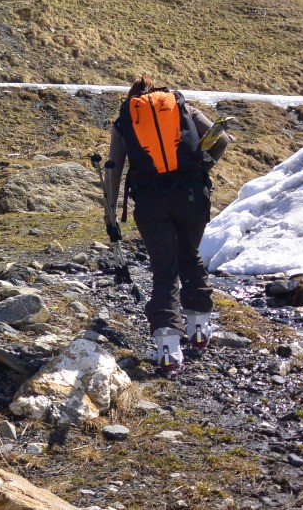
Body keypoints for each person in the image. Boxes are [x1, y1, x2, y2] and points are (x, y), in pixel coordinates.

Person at [104, 75, 230, 378]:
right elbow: (222, 139)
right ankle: (198, 330)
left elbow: (114, 168)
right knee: (190, 255)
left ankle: (168, 350)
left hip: (150, 202)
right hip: (190, 196)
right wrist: (200, 168)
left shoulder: (125, 119)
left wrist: (109, 215)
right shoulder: (181, 106)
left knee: (164, 269)